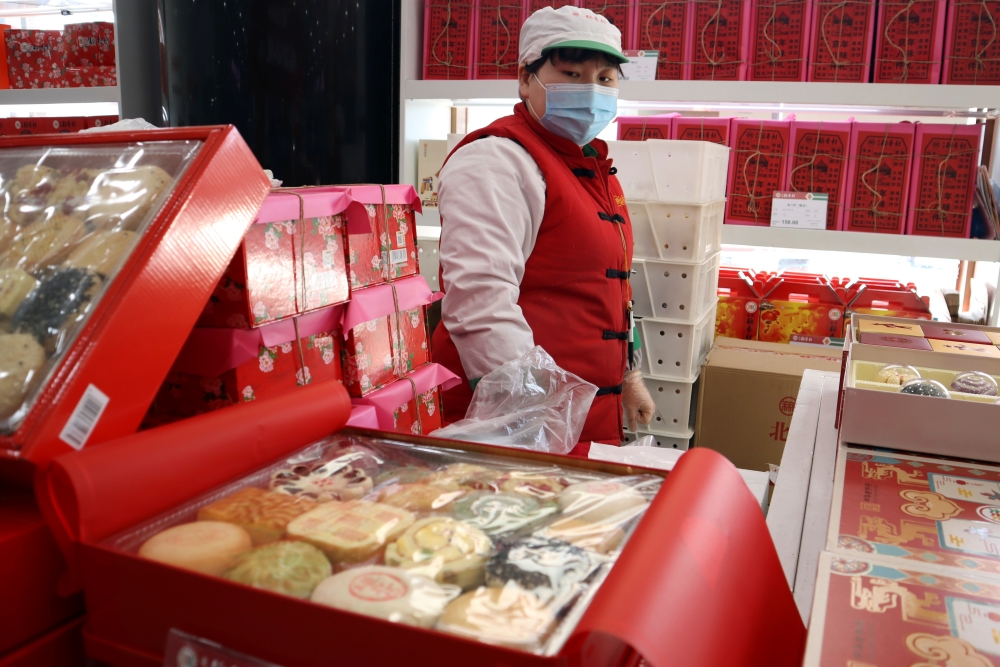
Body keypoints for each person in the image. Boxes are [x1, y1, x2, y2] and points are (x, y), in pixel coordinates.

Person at [431, 6, 655, 456]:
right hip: (515, 430)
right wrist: (534, 421)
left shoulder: (591, 166)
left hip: (581, 425)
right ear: (524, 77)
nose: (591, 91)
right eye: (571, 73)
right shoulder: (496, 160)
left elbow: (610, 292)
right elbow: (480, 300)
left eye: (606, 79)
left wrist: (627, 376)